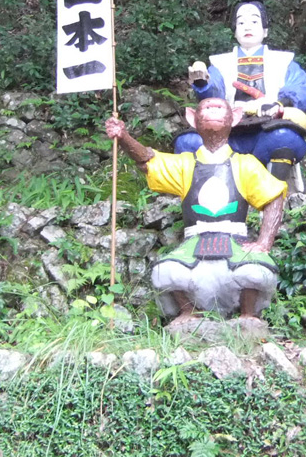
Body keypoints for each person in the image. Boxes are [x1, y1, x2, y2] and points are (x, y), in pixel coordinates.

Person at [106, 97, 286, 325]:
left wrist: (264, 243)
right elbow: (147, 161)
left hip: (235, 240)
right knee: (165, 271)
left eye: (219, 107)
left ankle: (247, 314)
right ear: (193, 118)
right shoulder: (185, 164)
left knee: (255, 271)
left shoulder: (245, 164)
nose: (213, 109)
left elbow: (274, 197)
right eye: (207, 107)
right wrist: (123, 137)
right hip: (195, 241)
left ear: (236, 117)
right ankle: (188, 313)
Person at [177, 0, 306, 180]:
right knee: (188, 142)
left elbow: (299, 89)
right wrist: (202, 82)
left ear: (265, 30)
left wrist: (279, 103)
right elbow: (213, 93)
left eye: (254, 22)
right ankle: (209, 193)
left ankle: (274, 194)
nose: (247, 27)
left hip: (266, 130)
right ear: (234, 31)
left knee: (286, 137)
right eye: (241, 23)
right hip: (226, 133)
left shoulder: (283, 61)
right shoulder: (220, 64)